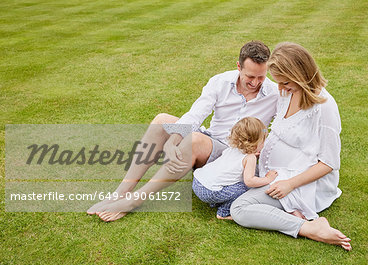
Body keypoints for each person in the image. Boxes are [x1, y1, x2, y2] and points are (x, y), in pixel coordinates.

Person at [87, 41, 279, 222]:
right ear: (239, 67)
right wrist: (172, 140)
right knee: (162, 121)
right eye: (250, 77)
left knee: (195, 139)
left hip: (237, 155)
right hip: (212, 142)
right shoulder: (220, 82)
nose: (255, 82)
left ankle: (134, 200)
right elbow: (196, 114)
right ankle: (122, 191)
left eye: (261, 77)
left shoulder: (275, 93)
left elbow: (285, 127)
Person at [230, 42, 352, 251]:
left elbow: (329, 163)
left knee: (239, 209)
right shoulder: (287, 93)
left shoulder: (324, 107)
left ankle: (309, 228)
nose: (280, 88)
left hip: (300, 182)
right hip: (275, 174)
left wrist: (290, 184)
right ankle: (295, 216)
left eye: (285, 82)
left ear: (301, 76)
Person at [193, 117, 278, 220]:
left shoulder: (232, 148)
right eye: (263, 141)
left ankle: (216, 200)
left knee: (227, 182)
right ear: (255, 143)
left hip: (197, 182)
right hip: (209, 191)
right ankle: (223, 213)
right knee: (243, 188)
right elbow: (249, 181)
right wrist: (268, 179)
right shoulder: (249, 158)